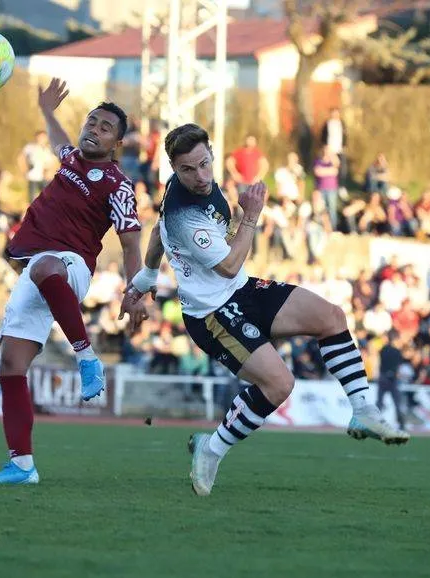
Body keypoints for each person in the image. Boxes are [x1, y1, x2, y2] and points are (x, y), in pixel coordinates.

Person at [124, 123, 408, 497]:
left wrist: (146, 276)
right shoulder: (185, 214)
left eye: (203, 164)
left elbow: (159, 233)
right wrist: (252, 215)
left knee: (332, 318)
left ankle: (363, 410)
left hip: (241, 289)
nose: (200, 176)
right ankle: (212, 449)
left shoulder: (184, 186)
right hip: (212, 314)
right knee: (279, 384)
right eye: (188, 170)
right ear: (174, 170)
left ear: (211, 152)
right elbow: (227, 263)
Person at [0, 78, 145, 485]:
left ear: (116, 144)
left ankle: (87, 357)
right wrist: (47, 111)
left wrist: (136, 289)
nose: (94, 129)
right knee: (10, 365)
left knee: (44, 265)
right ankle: (21, 466)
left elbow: (129, 244)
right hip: (40, 268)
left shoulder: (119, 186)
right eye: (91, 122)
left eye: (105, 127)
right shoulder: (70, 159)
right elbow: (58, 141)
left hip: (70, 266)